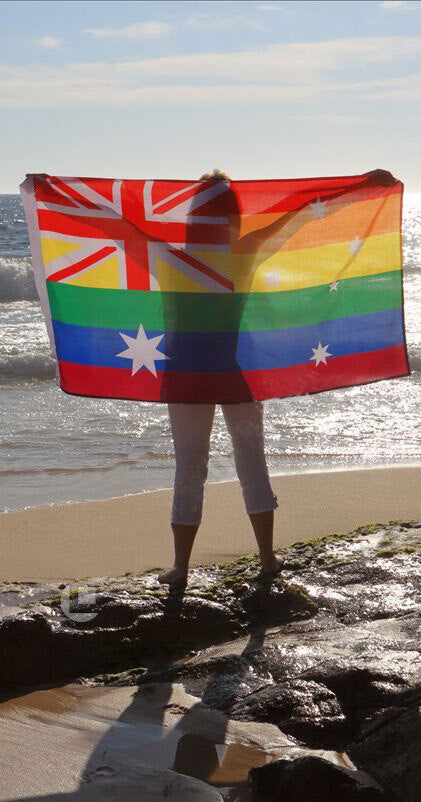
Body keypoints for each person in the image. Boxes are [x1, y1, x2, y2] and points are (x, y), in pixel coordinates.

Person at [156, 169, 282, 589]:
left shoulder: (169, 256)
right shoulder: (243, 252)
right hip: (231, 370)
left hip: (185, 375)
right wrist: (354, 189)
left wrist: (59, 193)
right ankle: (267, 558)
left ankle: (180, 568)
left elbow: (117, 230)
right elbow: (291, 220)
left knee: (190, 465)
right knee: (251, 459)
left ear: (193, 214)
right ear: (234, 214)